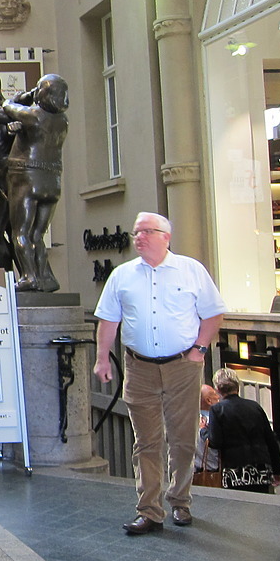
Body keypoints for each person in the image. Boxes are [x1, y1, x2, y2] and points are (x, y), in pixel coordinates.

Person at [93, 212, 227, 535]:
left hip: (183, 367)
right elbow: (108, 322)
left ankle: (180, 499)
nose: (138, 237)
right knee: (146, 441)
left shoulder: (191, 271)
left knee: (183, 439)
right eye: (136, 232)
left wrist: (201, 349)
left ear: (166, 237)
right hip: (139, 368)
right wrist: (102, 360)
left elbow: (213, 314)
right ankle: (150, 510)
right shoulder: (122, 276)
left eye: (146, 232)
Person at [1, 75, 69, 291]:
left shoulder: (35, 116)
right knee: (38, 234)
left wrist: (25, 95)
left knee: (20, 231)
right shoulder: (62, 121)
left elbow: (7, 106)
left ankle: (29, 276)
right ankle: (46, 277)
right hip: (52, 179)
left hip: (27, 176)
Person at [207, 368, 280, 493]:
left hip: (235, 470)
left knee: (237, 508)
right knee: (261, 506)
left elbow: (216, 442)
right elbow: (270, 440)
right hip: (260, 468)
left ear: (217, 389)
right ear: (237, 386)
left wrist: (204, 431)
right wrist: (277, 470)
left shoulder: (217, 409)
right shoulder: (255, 406)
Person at [194, 384, 221, 475]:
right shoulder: (215, 419)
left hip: (196, 470)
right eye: (215, 394)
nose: (218, 397)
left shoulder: (191, 420)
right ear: (209, 400)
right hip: (215, 470)